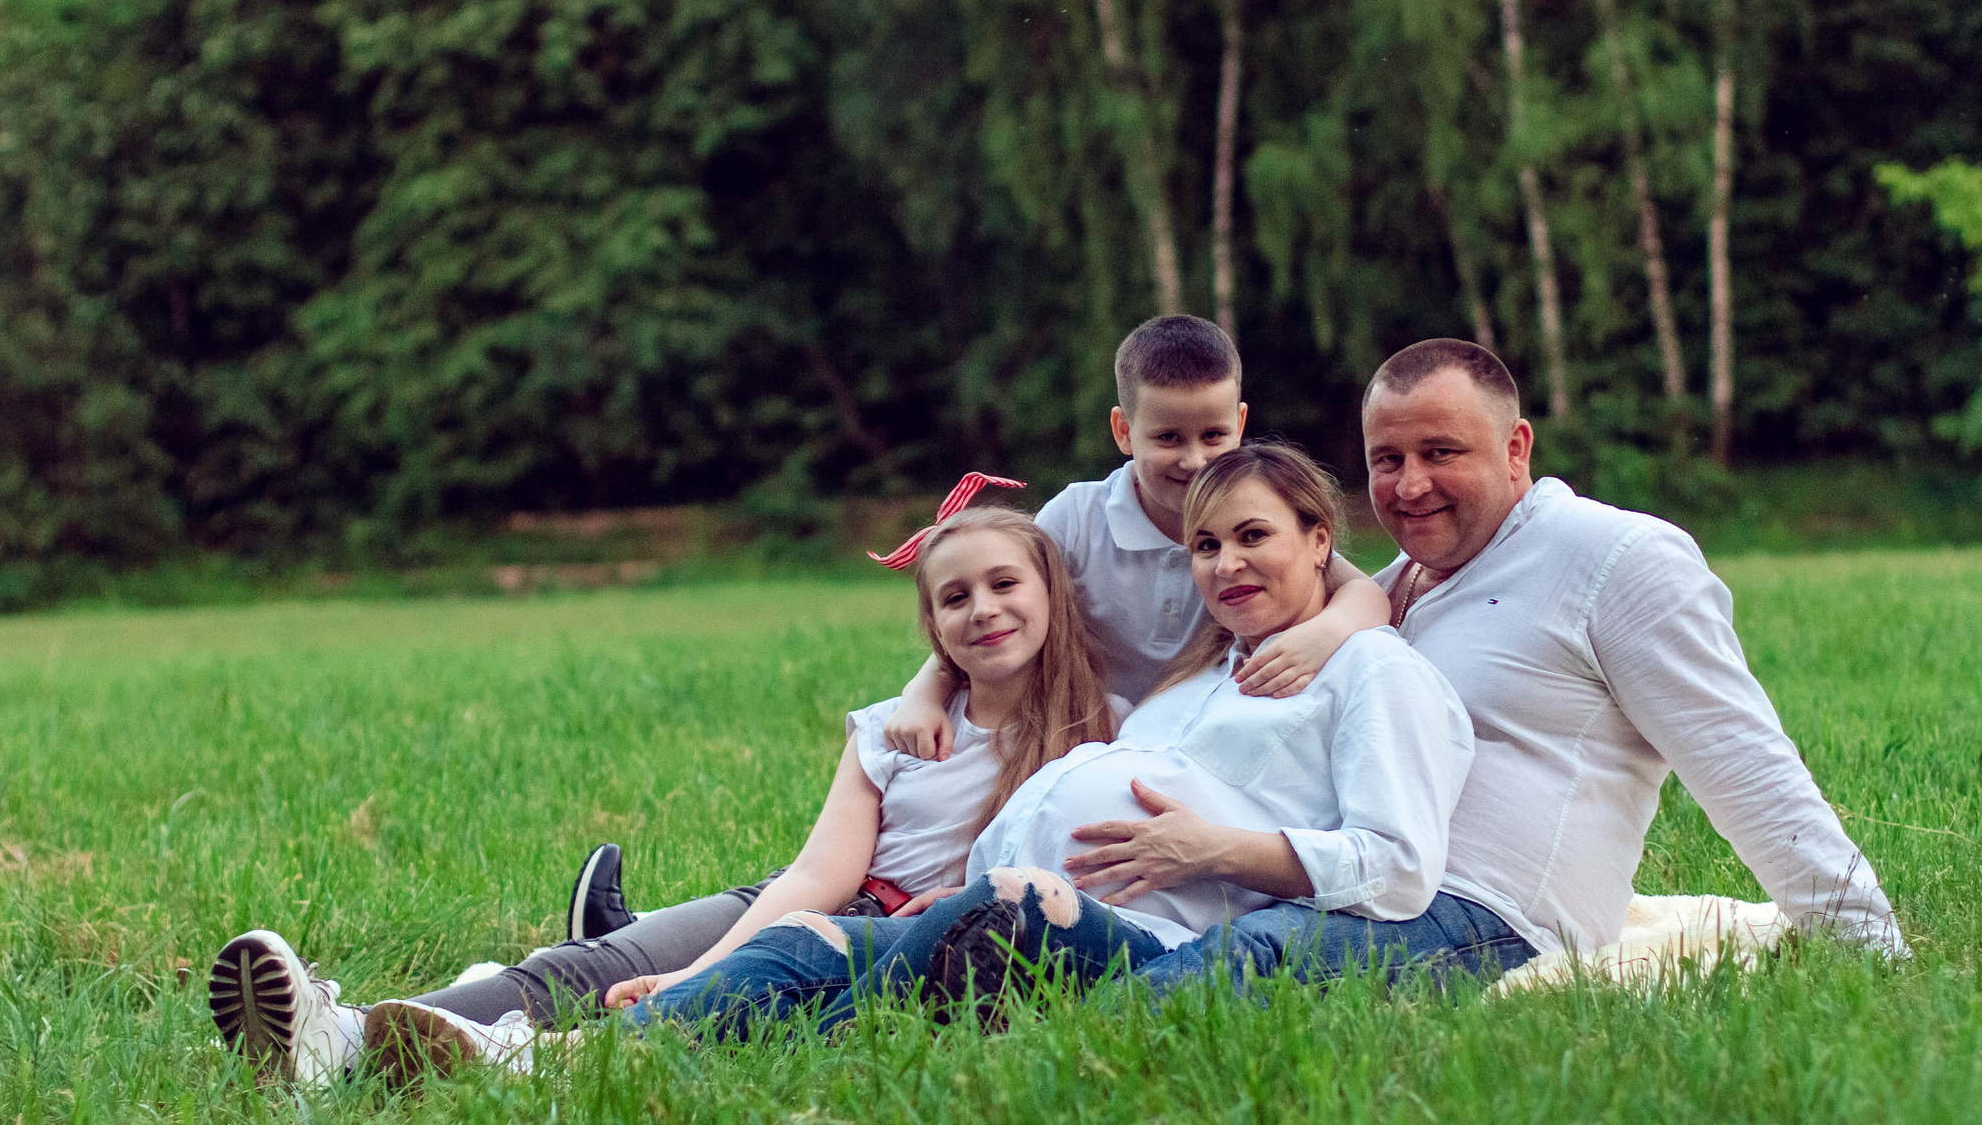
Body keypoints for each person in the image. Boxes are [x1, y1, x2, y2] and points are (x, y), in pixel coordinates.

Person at [203, 496, 1121, 1085]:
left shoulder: (1107, 725)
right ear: (931, 624)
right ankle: (342, 1033)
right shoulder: (890, 730)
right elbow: (815, 874)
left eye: (1005, 583)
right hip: (804, 901)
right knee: (588, 971)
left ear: (1052, 594)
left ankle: (476, 1049)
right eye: (954, 598)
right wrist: (700, 962)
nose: (983, 609)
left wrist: (698, 984)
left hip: (889, 940)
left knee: (715, 1021)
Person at [1126, 339, 1907, 996]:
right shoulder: (1394, 585)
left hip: (1496, 919)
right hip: (1345, 891)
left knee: (1242, 963)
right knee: (1141, 938)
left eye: (1440, 452)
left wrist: (1873, 951)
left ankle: (1042, 1043)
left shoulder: (1614, 559)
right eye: (1385, 459)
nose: (1409, 484)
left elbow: (1744, 761)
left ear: (1516, 447)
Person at [613, 443, 1475, 1038]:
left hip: (1145, 939)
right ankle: (564, 1054)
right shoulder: (1202, 674)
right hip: (1001, 900)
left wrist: (1216, 847)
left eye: (1254, 536)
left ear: (1320, 540)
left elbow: (1398, 866)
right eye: (1205, 545)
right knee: (807, 937)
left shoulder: (1371, 670)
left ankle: (773, 1044)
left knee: (996, 917)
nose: (1225, 563)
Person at [884, 316, 1390, 751]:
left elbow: (1362, 592)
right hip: (1078, 732)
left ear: (1240, 424)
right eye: (1167, 438)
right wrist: (923, 692)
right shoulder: (1076, 518)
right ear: (1124, 431)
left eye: (1214, 435)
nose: (1194, 460)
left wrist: (1322, 635)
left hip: (1205, 734)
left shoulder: (1254, 523)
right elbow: (996, 611)